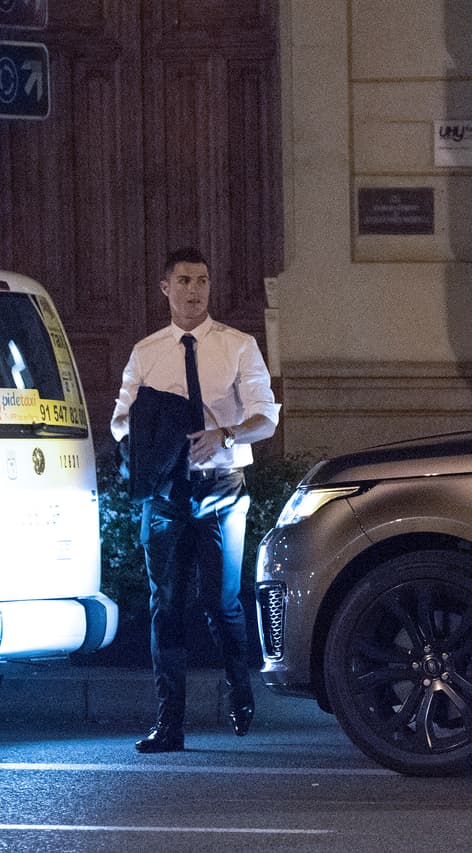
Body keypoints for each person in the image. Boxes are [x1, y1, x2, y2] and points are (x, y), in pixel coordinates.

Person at [111, 247, 281, 753]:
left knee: (221, 600)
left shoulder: (238, 345)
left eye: (202, 280)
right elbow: (121, 421)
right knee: (166, 605)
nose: (194, 290)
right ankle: (169, 723)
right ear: (166, 288)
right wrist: (148, 437)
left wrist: (225, 434)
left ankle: (239, 686)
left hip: (221, 488)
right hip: (165, 492)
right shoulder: (147, 352)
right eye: (184, 280)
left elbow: (266, 416)